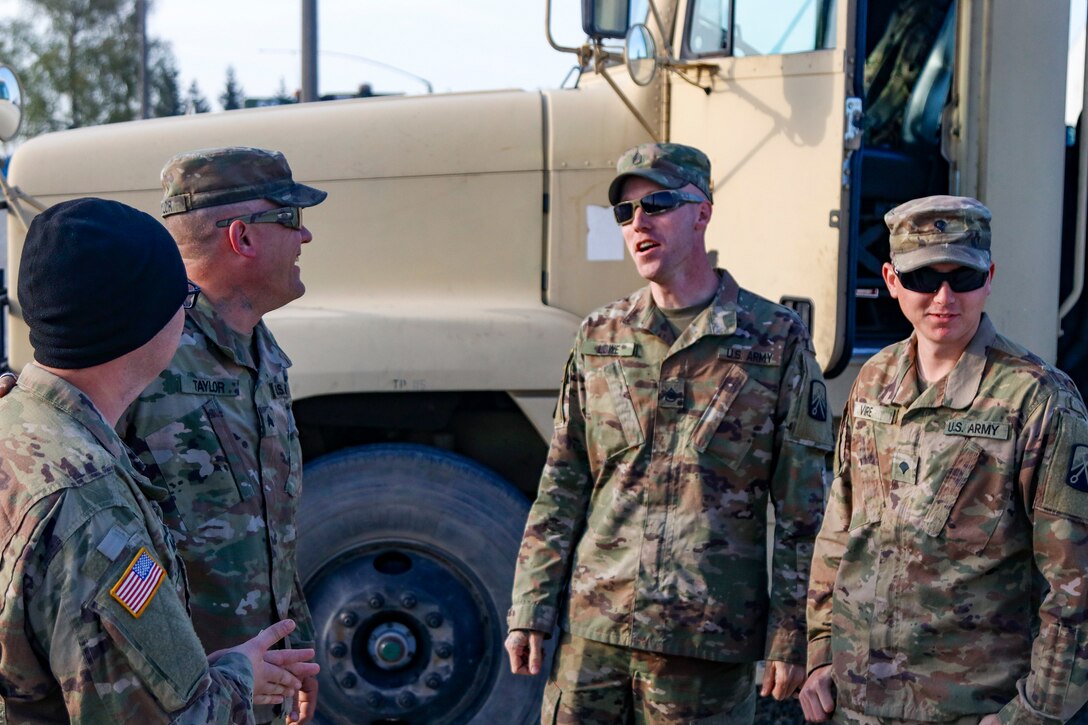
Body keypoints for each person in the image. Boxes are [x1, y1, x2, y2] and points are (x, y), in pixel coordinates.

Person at [505, 142, 833, 723]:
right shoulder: (600, 335)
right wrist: (531, 605)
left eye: (656, 204)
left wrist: (794, 631)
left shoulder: (774, 339)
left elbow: (804, 504)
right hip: (594, 633)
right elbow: (562, 482)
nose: (639, 224)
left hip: (705, 641)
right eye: (626, 213)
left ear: (702, 212)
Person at [0, 197, 319, 722]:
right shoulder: (92, 512)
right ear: (145, 317)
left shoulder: (19, 426)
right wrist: (240, 676)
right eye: (184, 298)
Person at [800, 195, 1088, 723]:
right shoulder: (873, 382)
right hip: (854, 705)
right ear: (890, 279)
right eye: (923, 278)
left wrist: (1036, 714)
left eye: (963, 277)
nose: (944, 297)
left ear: (990, 276)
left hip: (971, 709)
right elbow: (840, 527)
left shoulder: (1038, 399)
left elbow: (1074, 586)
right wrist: (820, 651)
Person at [117, 146, 327, 725]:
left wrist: (294, 646)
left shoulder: (265, 352)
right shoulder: (141, 353)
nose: (305, 237)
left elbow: (269, 527)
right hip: (175, 692)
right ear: (243, 237)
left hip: (251, 685)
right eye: (290, 219)